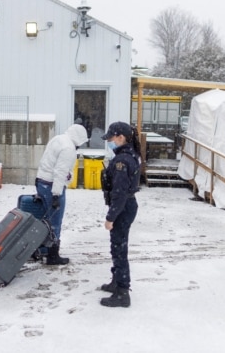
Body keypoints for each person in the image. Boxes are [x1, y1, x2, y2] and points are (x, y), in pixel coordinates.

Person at [99, 121, 141, 308]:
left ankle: (123, 292)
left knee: (119, 248)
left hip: (123, 207)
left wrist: (111, 217)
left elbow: (119, 192)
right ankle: (117, 281)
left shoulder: (122, 161)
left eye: (111, 138)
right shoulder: (128, 155)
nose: (109, 141)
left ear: (121, 138)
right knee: (117, 245)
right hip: (126, 205)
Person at [35, 123, 89, 265]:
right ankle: (53, 255)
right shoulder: (69, 148)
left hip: (42, 181)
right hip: (52, 186)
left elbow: (48, 162)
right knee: (55, 221)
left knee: (45, 218)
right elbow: (60, 172)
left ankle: (44, 248)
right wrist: (56, 195)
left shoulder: (58, 139)